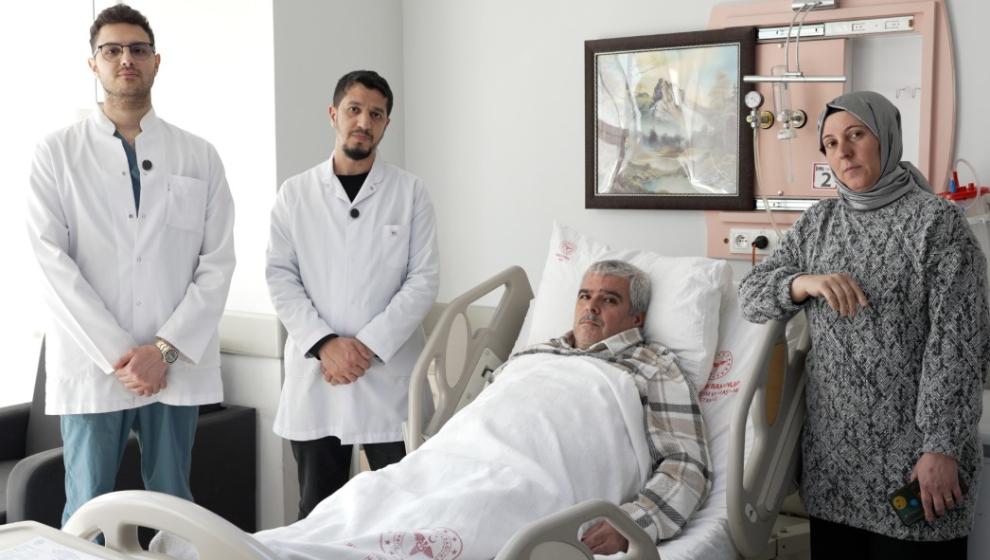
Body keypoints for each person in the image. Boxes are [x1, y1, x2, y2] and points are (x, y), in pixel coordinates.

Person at [198, 260, 707, 560]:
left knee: (446, 524)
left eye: (609, 300)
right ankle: (268, 549)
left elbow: (685, 464)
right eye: (584, 295)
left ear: (636, 316)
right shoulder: (535, 353)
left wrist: (635, 522)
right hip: (449, 459)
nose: (590, 306)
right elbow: (481, 417)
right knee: (367, 498)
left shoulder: (652, 367)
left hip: (530, 478)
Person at [739, 91, 989, 559]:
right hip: (834, 467)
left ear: (886, 138)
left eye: (856, 135)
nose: (844, 152)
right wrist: (802, 283)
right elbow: (750, 297)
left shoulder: (937, 224)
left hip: (917, 466)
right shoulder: (818, 224)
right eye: (831, 143)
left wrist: (942, 448)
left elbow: (958, 347)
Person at [26, 4, 236, 526]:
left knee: (174, 505)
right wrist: (123, 355)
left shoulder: (199, 156)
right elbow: (51, 263)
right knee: (88, 508)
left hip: (174, 366)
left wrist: (161, 353)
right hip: (94, 366)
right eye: (112, 50)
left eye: (138, 49)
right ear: (93, 63)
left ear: (156, 61)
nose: (126, 59)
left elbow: (217, 263)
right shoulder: (56, 153)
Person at [266, 70, 440, 520]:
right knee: (316, 515)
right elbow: (281, 277)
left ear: (386, 124)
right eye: (354, 110)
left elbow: (423, 280)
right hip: (317, 376)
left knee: (404, 514)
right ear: (333, 114)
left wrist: (365, 348)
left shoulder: (410, 192)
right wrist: (326, 345)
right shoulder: (295, 194)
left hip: (388, 377)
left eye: (376, 114)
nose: (364, 122)